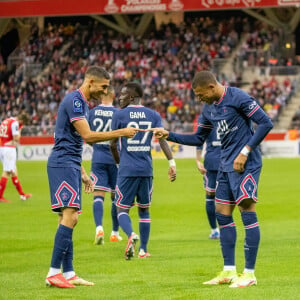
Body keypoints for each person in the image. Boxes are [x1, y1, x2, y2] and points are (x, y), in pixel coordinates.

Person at [152, 71, 273, 288]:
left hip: (246, 164)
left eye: (200, 94)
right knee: (223, 215)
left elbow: (265, 123)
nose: (199, 99)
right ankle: (228, 270)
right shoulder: (208, 109)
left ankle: (250, 273)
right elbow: (199, 137)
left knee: (247, 210)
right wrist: (169, 134)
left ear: (211, 87)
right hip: (224, 166)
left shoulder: (239, 97)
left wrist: (245, 151)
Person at [45, 66, 139, 289]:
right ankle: (52, 272)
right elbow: (87, 137)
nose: (105, 90)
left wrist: (83, 173)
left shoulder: (83, 104)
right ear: (90, 83)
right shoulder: (76, 101)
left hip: (70, 164)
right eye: (103, 86)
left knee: (68, 217)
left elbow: (72, 141)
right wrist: (120, 133)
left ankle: (68, 273)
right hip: (63, 163)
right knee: (71, 217)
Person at [110, 82, 176, 260]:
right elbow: (162, 139)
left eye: (123, 94)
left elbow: (113, 144)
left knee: (121, 209)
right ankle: (143, 250)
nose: (120, 97)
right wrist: (172, 162)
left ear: (131, 97)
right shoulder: (153, 115)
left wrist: (119, 164)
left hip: (127, 169)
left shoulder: (119, 115)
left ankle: (131, 234)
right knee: (144, 210)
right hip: (146, 169)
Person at [88, 86, 122, 245]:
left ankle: (99, 228)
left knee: (98, 196)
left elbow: (86, 135)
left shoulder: (92, 112)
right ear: (114, 96)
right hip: (115, 158)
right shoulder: (118, 113)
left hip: (98, 156)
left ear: (101, 96)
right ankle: (115, 232)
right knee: (116, 196)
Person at [195, 128, 221, 239]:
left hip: (212, 162)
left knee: (210, 197)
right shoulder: (231, 115)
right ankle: (227, 228)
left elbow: (199, 141)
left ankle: (215, 230)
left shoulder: (208, 118)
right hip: (229, 161)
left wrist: (197, 160)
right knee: (228, 198)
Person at [0, 113, 32, 203]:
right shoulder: (15, 123)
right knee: (6, 172)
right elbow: (16, 138)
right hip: (9, 149)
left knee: (13, 171)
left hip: (2, 147)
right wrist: (20, 129)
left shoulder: (6, 120)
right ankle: (0, 196)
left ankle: (22, 195)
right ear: (22, 121)